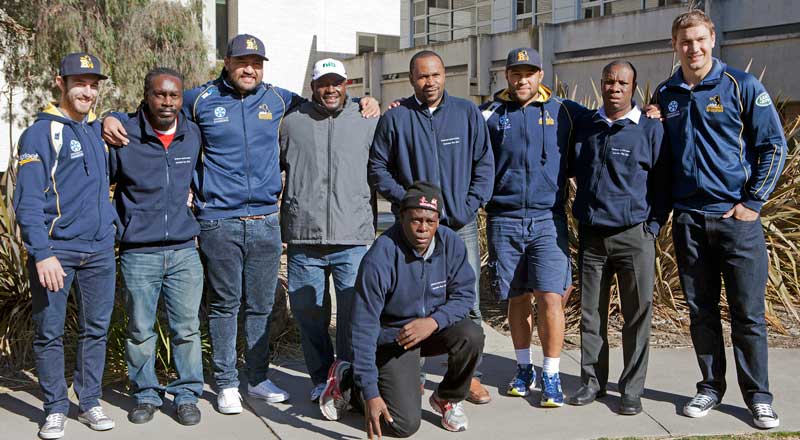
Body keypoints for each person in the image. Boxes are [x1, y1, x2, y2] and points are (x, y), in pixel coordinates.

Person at [102, 34, 379, 415]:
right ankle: (228, 382)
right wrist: (112, 117)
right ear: (227, 63)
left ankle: (258, 377)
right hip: (219, 222)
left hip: (265, 221)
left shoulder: (279, 99)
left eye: (257, 63)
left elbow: (327, 103)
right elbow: (156, 109)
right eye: (242, 62)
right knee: (224, 306)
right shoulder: (200, 99)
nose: (250, 69)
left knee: (261, 306)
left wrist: (369, 100)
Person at [652, 10, 786, 429]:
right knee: (702, 312)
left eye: (699, 40)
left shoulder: (741, 86)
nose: (693, 48)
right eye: (685, 42)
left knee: (748, 314)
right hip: (690, 220)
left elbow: (774, 146)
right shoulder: (667, 92)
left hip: (736, 220)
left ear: (713, 40)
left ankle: (758, 397)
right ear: (675, 46)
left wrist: (754, 202)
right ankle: (710, 387)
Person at [368, 50, 494, 404]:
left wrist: (470, 204)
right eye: (422, 76)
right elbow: (378, 167)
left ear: (445, 75)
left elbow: (484, 162)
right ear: (412, 79)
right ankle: (414, 374)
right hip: (413, 228)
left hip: (459, 225)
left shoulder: (467, 113)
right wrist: (408, 202)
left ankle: (467, 377)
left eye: (436, 75)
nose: (430, 82)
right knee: (410, 301)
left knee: (468, 305)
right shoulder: (396, 119)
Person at [318, 182, 485, 436]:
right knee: (403, 425)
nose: (423, 228)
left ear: (438, 220)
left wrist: (433, 322)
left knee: (471, 335)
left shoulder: (450, 244)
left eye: (430, 221)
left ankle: (446, 397)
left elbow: (464, 297)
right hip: (393, 339)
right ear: (401, 217)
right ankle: (349, 383)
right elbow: (364, 328)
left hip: (431, 329)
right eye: (416, 219)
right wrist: (371, 394)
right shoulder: (381, 256)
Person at [14, 52, 118, 439]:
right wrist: (42, 254)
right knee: (49, 333)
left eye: (93, 84)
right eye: (80, 83)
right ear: (61, 83)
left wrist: (110, 228)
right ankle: (55, 408)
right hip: (57, 252)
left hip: (100, 251)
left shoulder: (95, 129)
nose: (87, 91)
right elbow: (26, 202)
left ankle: (89, 400)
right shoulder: (39, 133)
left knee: (96, 330)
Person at [480, 48, 584, 407]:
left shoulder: (565, 111)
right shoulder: (491, 114)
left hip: (547, 219)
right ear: (506, 76)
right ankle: (524, 368)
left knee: (550, 297)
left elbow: (607, 119)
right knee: (517, 297)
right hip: (504, 219)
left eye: (528, 72)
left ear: (541, 74)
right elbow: (451, 122)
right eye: (514, 73)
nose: (521, 79)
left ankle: (551, 374)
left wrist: (650, 111)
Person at [566, 60, 669, 415]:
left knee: (636, 316)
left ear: (633, 88)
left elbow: (663, 183)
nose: (614, 88)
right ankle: (592, 383)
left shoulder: (650, 129)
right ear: (601, 84)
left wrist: (652, 227)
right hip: (593, 238)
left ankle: (631, 390)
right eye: (609, 82)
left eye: (622, 83)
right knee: (591, 315)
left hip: (634, 237)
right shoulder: (587, 126)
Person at [108, 68, 204, 426]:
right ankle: (146, 393)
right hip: (138, 253)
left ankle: (187, 394)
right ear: (146, 95)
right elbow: (103, 185)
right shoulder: (124, 136)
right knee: (140, 329)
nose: (168, 103)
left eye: (174, 96)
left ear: (182, 98)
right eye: (160, 95)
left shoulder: (191, 134)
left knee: (187, 329)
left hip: (183, 251)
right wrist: (119, 227)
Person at [279, 58, 378, 401]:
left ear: (346, 84)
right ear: (313, 86)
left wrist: (376, 101)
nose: (331, 89)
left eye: (337, 82)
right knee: (309, 317)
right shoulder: (291, 122)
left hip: (352, 238)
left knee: (352, 317)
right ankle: (322, 378)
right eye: (324, 83)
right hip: (304, 237)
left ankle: (346, 380)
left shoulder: (367, 119)